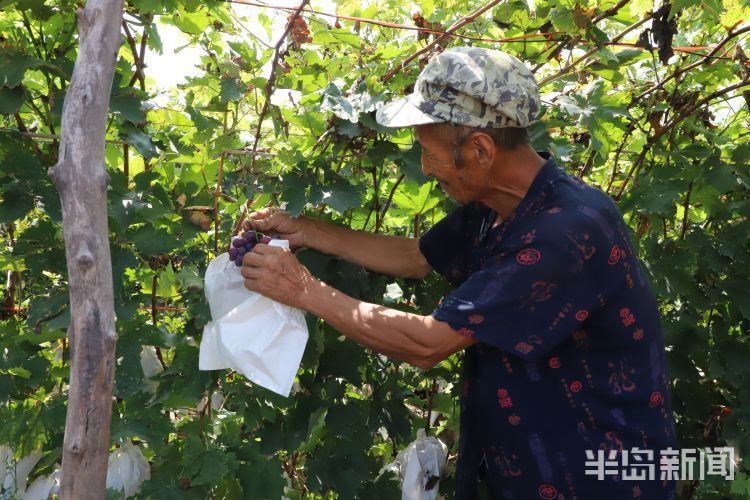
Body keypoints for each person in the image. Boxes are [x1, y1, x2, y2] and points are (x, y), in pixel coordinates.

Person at [239, 46, 677, 499]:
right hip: (527, 465)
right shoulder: (498, 203)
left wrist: (302, 288)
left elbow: (428, 342)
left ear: (481, 149)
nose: (426, 168)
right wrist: (306, 230)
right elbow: (415, 257)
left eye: (429, 152)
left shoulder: (565, 233)